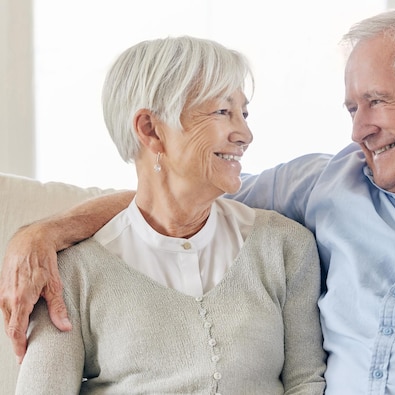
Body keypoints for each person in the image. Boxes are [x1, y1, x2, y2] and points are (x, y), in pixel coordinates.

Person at [1, 6, 395, 394]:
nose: (357, 131)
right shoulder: (330, 184)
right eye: (352, 109)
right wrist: (47, 232)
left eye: (376, 102)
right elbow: (181, 195)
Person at [7, 36, 326, 394]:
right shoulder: (69, 271)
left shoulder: (285, 247)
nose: (245, 134)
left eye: (244, 113)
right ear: (150, 129)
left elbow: (306, 382)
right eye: (223, 111)